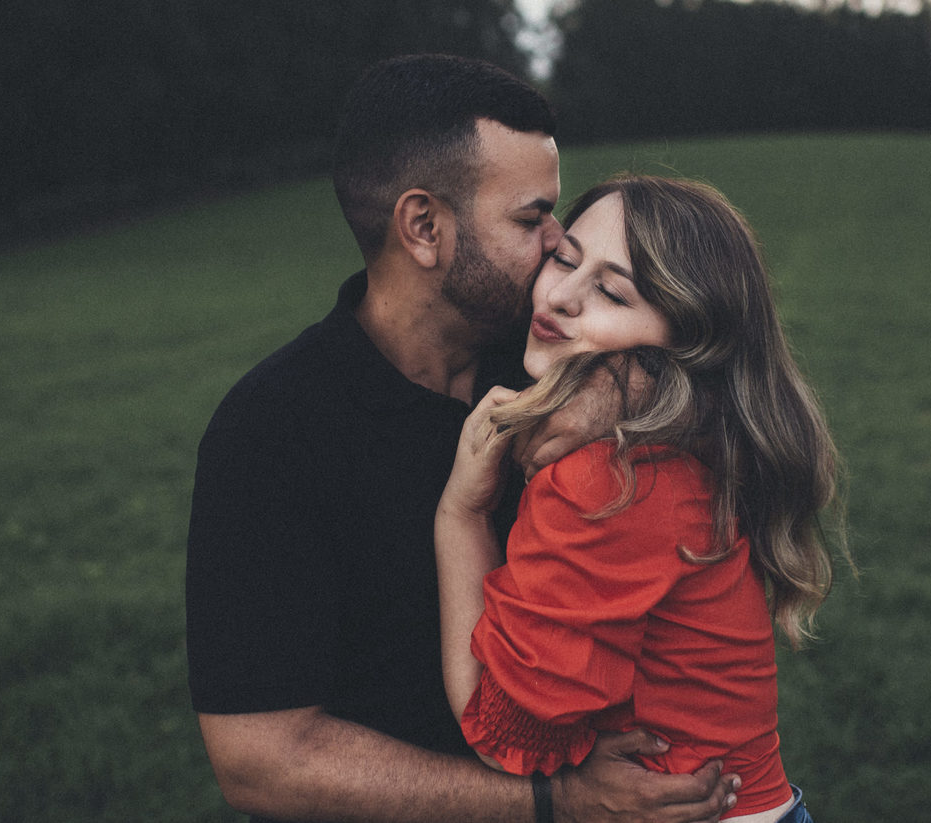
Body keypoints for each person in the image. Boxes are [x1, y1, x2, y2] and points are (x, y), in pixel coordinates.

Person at [186, 55, 739, 823]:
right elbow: (262, 759)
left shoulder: (555, 353)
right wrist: (552, 803)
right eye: (529, 217)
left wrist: (628, 393)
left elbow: (740, 392)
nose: (557, 242)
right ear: (424, 228)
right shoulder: (274, 430)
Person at [437, 176, 848, 822]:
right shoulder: (685, 440)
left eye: (612, 291)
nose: (563, 297)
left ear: (682, 342)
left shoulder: (616, 479)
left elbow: (502, 728)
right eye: (566, 259)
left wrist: (458, 515)